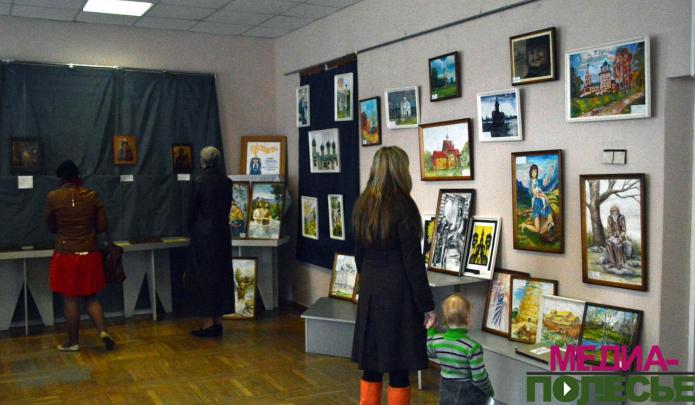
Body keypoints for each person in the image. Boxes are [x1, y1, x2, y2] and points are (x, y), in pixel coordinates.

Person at [351, 146, 436, 405]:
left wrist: (368, 280)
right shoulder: (404, 205)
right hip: (399, 291)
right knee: (399, 365)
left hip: (371, 287)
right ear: (401, 170)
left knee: (372, 362)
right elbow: (413, 262)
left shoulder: (362, 203)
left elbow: (358, 254)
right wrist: (426, 306)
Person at [46, 160, 115, 352]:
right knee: (91, 296)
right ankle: (103, 332)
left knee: (70, 299)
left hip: (66, 253)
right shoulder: (92, 196)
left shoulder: (53, 197)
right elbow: (102, 226)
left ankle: (73, 342)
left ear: (61, 179)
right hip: (89, 253)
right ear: (78, 176)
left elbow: (51, 226)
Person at [187, 146, 234, 337]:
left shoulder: (199, 182)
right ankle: (219, 322)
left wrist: (190, 229)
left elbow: (191, 211)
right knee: (221, 276)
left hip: (203, 236)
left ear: (202, 161)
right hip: (222, 234)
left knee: (203, 277)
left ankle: (207, 324)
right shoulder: (227, 182)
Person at [427, 293, 494, 405]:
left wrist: (430, 331)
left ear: (446, 319)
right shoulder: (472, 347)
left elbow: (429, 352)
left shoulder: (437, 341)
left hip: (446, 394)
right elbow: (479, 378)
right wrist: (490, 391)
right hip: (468, 397)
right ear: (467, 318)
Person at [520, 163, 556, 237]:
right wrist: (544, 196)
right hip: (536, 206)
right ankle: (525, 225)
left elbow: (546, 181)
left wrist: (550, 171)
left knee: (551, 221)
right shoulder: (530, 182)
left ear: (537, 172)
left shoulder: (539, 181)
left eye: (535, 171)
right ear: (530, 172)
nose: (534, 173)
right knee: (537, 230)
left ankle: (549, 229)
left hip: (544, 205)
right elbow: (535, 193)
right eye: (533, 171)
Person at [605, 205, 628, 270]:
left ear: (618, 212)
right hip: (612, 236)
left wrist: (620, 238)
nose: (615, 213)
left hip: (620, 236)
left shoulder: (621, 217)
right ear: (611, 212)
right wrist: (611, 237)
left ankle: (619, 263)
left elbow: (623, 230)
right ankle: (612, 263)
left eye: (616, 212)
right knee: (608, 243)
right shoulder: (609, 218)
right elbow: (608, 229)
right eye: (613, 212)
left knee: (618, 245)